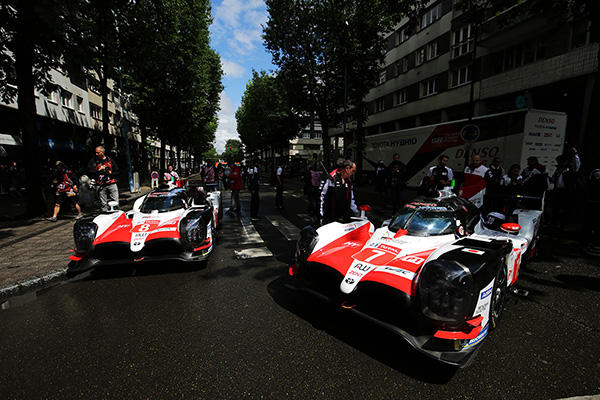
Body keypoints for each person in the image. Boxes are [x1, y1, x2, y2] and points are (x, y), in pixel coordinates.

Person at [319, 159, 359, 224]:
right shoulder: (331, 179)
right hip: (330, 219)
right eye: (353, 171)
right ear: (347, 169)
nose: (353, 173)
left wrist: (357, 213)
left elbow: (351, 200)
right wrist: (321, 215)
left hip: (344, 218)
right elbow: (321, 197)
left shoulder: (349, 182)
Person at [88, 145, 119, 212]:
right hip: (100, 184)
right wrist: (99, 170)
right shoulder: (94, 161)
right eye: (96, 152)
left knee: (115, 201)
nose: (96, 154)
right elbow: (90, 171)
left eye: (98, 153)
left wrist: (110, 172)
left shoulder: (110, 160)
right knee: (103, 203)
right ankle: (104, 213)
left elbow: (117, 171)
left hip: (111, 183)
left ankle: (116, 212)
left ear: (102, 152)